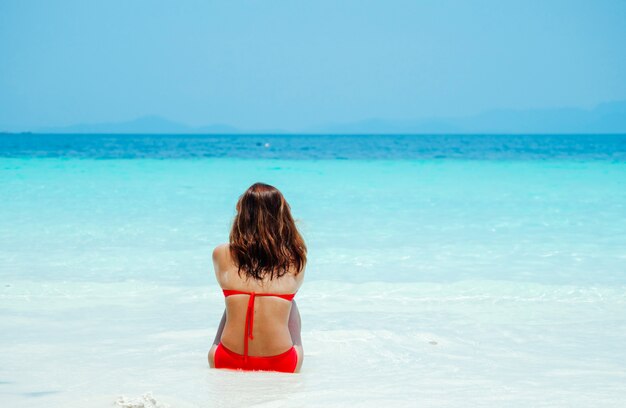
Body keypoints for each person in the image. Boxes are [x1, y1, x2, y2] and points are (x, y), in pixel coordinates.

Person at [207, 182, 306, 373]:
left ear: (242, 215)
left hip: (225, 358)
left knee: (234, 301)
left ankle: (219, 349)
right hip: (282, 362)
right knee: (289, 304)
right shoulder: (296, 258)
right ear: (282, 216)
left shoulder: (220, 254)